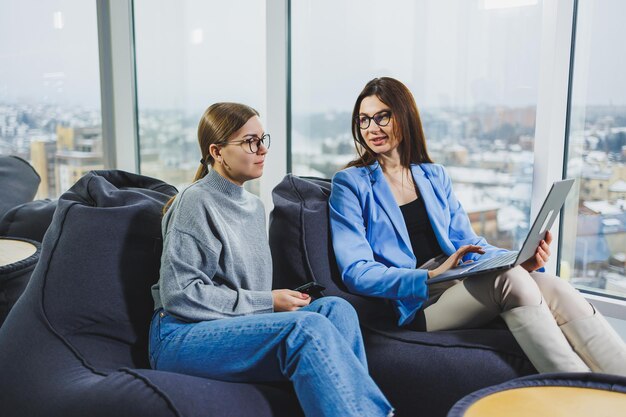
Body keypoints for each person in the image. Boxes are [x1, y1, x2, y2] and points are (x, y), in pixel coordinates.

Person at [329, 77, 626, 375]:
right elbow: (357, 272)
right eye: (364, 120)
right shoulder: (351, 184)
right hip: (417, 301)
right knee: (510, 281)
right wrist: (430, 275)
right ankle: (582, 394)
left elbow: (468, 243)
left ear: (404, 116)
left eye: (382, 116)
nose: (372, 128)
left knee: (553, 286)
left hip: (458, 283)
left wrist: (519, 259)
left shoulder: (434, 176)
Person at [150, 102, 394, 417]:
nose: (261, 150)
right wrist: (268, 302)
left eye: (263, 139)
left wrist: (279, 301)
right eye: (250, 142)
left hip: (231, 325)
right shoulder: (194, 203)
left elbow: (249, 295)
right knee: (305, 329)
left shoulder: (253, 207)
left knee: (337, 310)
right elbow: (179, 295)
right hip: (179, 335)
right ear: (217, 151)